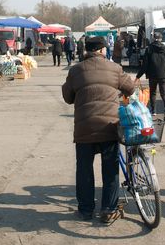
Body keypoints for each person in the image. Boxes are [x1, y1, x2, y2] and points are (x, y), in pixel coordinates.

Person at [62, 36, 135, 223]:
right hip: (108, 128)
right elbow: (131, 88)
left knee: (84, 170)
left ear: (87, 51)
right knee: (110, 171)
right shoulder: (115, 68)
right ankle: (108, 210)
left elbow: (68, 97)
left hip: (84, 128)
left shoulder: (76, 70)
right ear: (103, 50)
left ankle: (86, 210)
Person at [135, 31, 165, 119]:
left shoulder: (149, 49)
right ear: (161, 39)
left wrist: (138, 76)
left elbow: (145, 65)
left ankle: (153, 110)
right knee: (164, 93)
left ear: (153, 39)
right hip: (164, 74)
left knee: (153, 93)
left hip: (152, 74)